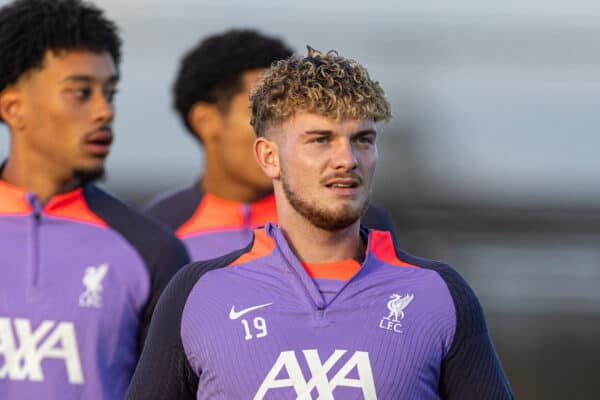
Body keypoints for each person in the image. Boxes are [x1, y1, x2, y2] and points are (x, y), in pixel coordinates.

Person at [127, 47, 513, 399]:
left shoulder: (440, 295)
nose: (347, 159)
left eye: (362, 139)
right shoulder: (197, 294)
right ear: (269, 157)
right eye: (320, 140)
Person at [0, 1, 189, 399]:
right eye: (81, 92)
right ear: (13, 108)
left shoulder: (153, 252)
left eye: (110, 92)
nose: (105, 111)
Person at [144, 29, 398, 261]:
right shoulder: (156, 233)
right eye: (261, 114)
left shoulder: (363, 222)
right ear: (206, 121)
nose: (280, 129)